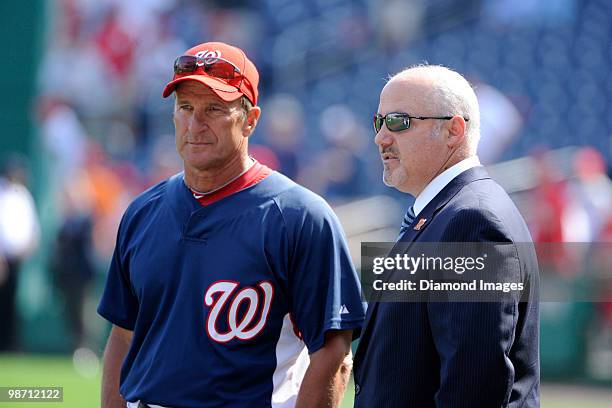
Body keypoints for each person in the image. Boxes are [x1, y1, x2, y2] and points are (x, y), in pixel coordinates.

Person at [97, 41, 365, 408]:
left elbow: (334, 354)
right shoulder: (143, 211)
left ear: (250, 119)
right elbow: (123, 335)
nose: (195, 123)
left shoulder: (301, 216)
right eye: (185, 107)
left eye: (214, 109)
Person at [353, 65, 540, 407]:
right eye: (378, 122)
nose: (381, 137)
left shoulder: (472, 221)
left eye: (398, 121)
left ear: (454, 130)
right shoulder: (445, 213)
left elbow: (474, 386)